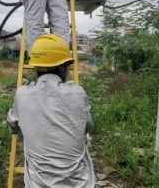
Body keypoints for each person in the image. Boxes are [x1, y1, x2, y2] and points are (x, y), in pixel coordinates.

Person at [7, 34, 96, 187]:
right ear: (63, 67)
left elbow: (12, 125)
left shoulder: (22, 94)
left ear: (35, 68)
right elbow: (88, 127)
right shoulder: (78, 93)